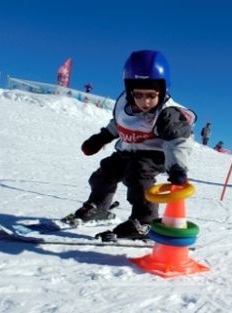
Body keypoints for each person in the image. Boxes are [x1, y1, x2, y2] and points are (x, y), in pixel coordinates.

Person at [65, 50, 197, 241]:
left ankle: (144, 221)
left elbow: (179, 143)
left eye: (151, 95)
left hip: (156, 154)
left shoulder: (169, 114)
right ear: (130, 91)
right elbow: (119, 124)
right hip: (128, 150)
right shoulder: (125, 105)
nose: (145, 102)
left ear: (163, 89)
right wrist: (100, 139)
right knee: (105, 172)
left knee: (138, 174)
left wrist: (177, 169)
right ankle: (98, 208)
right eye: (139, 95)